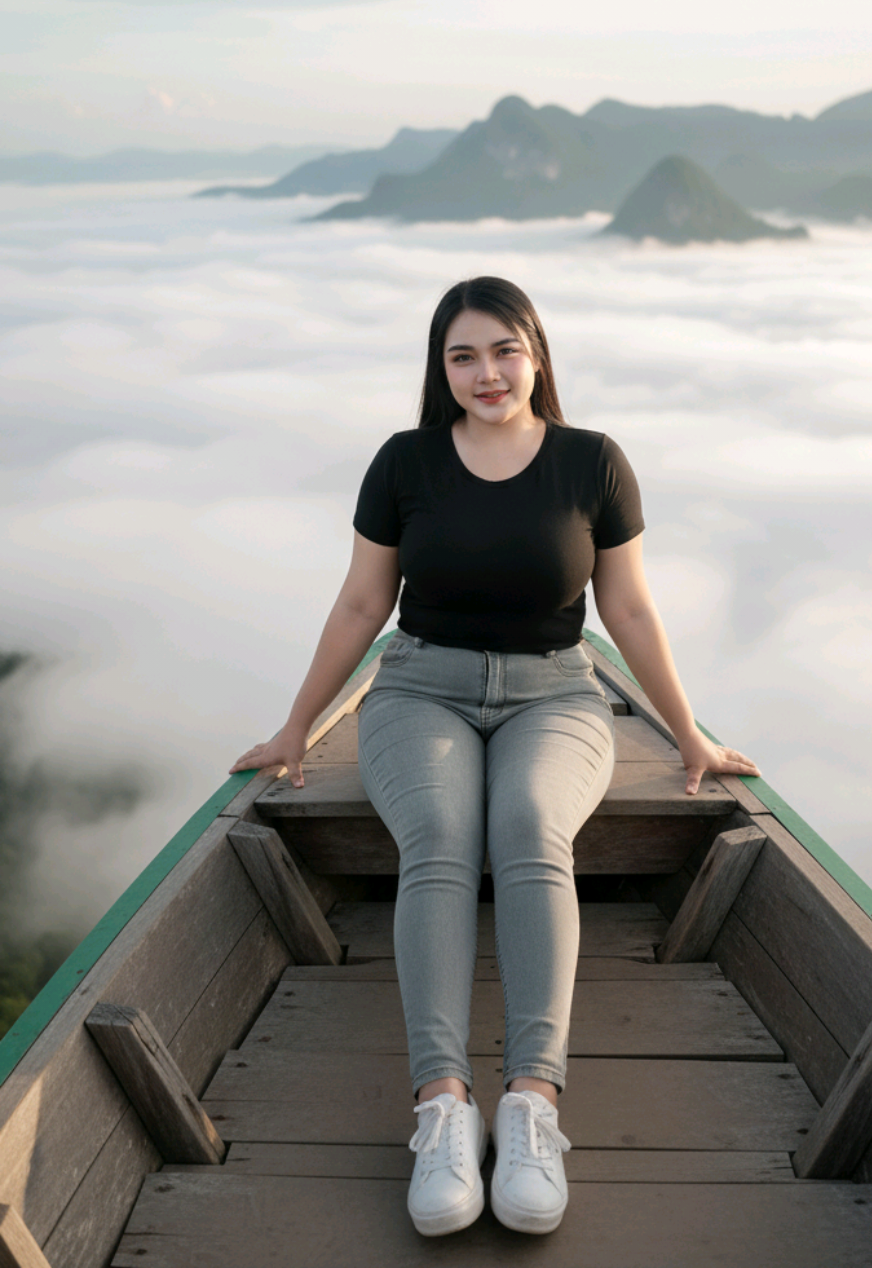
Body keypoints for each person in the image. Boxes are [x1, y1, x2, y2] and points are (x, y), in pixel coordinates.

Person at [229, 275, 760, 1238]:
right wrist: (295, 727)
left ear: (537, 354)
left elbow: (627, 608)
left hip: (556, 692)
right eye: (462, 356)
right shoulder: (404, 463)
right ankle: (441, 1106)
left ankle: (530, 1106)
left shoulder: (592, 462)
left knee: (529, 825)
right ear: (440, 369)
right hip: (418, 688)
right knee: (437, 834)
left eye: (504, 350)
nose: (486, 373)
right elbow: (362, 603)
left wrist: (688, 734)